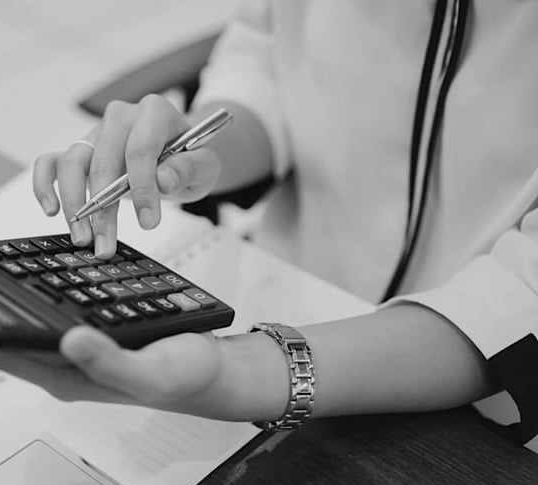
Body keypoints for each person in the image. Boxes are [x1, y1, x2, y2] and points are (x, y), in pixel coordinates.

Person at [29, 0, 538, 445]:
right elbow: (265, 57)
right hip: (281, 289)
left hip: (474, 403)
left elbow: (520, 297)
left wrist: (244, 373)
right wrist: (199, 155)